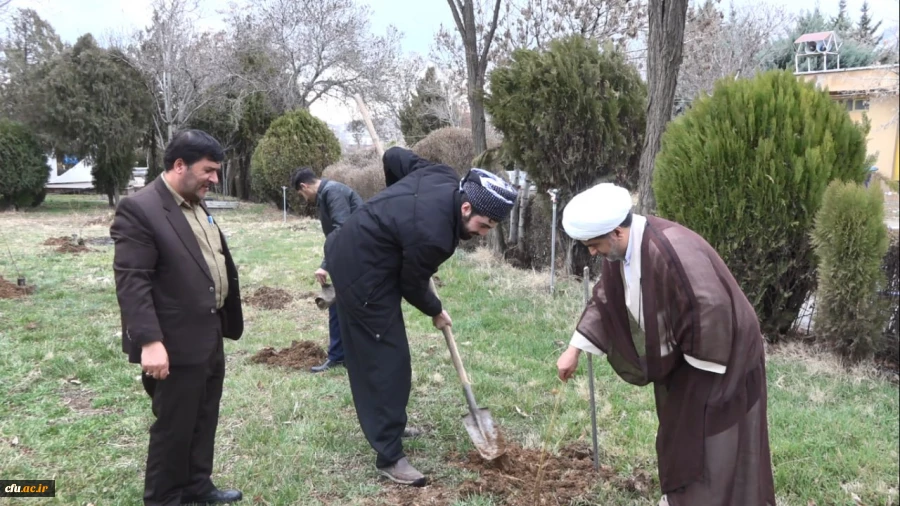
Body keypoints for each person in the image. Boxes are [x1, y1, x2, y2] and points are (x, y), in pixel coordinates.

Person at [555, 183, 776, 506]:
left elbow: (712, 307)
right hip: (691, 361)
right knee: (681, 436)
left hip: (721, 357)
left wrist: (678, 361)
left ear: (616, 231)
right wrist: (574, 349)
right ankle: (683, 498)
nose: (591, 252)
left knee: (713, 440)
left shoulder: (671, 251)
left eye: (594, 245)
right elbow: (606, 297)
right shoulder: (623, 251)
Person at [324, 147, 518, 487]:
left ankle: (394, 426)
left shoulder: (441, 174)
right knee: (385, 360)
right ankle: (389, 454)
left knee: (392, 356)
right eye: (482, 225)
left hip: (369, 248)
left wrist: (396, 204)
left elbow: (395, 157)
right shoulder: (434, 235)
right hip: (360, 270)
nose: (483, 234)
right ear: (466, 206)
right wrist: (434, 309)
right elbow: (411, 283)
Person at [110, 130, 244, 506]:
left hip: (209, 331)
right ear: (179, 165)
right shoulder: (140, 209)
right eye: (209, 170)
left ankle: (198, 486)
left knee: (203, 418)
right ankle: (165, 498)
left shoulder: (195, 202)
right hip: (172, 341)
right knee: (174, 428)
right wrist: (150, 342)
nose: (215, 179)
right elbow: (132, 281)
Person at [290, 167, 363, 373]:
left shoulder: (333, 192)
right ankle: (340, 355)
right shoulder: (327, 194)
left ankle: (348, 355)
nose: (304, 199)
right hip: (349, 253)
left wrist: (325, 266)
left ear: (304, 186)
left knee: (348, 305)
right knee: (337, 305)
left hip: (358, 254)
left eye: (301, 194)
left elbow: (342, 229)